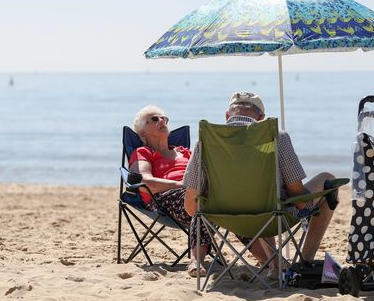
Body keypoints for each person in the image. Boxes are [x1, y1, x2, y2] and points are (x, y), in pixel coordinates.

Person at [182, 92, 338, 273]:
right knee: (328, 180)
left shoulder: (205, 140)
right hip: (270, 217)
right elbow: (300, 200)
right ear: (261, 117)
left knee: (265, 196)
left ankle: (276, 263)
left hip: (224, 217)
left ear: (227, 115)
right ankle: (305, 262)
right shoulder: (277, 137)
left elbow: (191, 207)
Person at [129, 105, 211, 276]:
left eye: (164, 118)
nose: (162, 121)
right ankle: (196, 261)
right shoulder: (142, 152)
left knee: (230, 201)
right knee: (199, 201)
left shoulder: (186, 153)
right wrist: (184, 185)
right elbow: (144, 181)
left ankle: (269, 261)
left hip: (196, 193)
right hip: (162, 199)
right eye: (154, 119)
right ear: (142, 133)